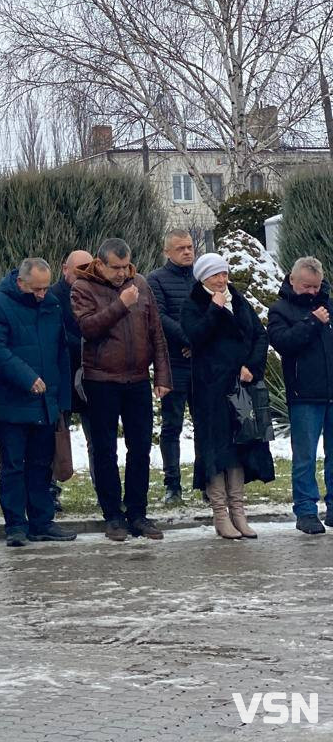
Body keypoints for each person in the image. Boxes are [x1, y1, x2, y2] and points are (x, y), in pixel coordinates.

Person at [71, 238, 172, 542]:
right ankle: (113, 515)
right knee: (105, 450)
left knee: (140, 449)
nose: (121, 273)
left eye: (125, 266)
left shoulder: (139, 282)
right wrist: (120, 305)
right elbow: (87, 328)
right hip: (101, 379)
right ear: (100, 263)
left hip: (137, 379)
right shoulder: (82, 287)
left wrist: (162, 375)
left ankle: (138, 514)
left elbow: (156, 331)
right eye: (115, 267)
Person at [0, 257, 77, 548]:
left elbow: (61, 352)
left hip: (45, 402)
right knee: (12, 465)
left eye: (45, 288)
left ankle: (41, 522)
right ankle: (15, 526)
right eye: (36, 289)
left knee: (40, 465)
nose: (42, 294)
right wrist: (27, 378)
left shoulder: (51, 305)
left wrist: (61, 397)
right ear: (20, 282)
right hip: (12, 402)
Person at [181, 253, 274, 539]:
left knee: (240, 446)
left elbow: (260, 335)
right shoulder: (193, 303)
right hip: (211, 389)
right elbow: (195, 337)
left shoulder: (239, 299)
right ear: (202, 278)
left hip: (241, 387)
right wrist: (214, 310)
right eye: (215, 276)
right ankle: (220, 514)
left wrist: (252, 366)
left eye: (224, 274)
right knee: (216, 448)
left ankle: (239, 512)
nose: (222, 280)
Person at [267, 256, 332, 534]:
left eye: (316, 287)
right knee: (304, 456)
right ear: (292, 281)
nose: (313, 292)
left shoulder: (329, 305)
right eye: (307, 286)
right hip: (304, 394)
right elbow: (284, 343)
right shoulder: (280, 310)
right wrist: (312, 322)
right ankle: (306, 510)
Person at [147, 230, 198, 504]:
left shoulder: (202, 277)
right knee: (172, 426)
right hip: (173, 363)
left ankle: (205, 481)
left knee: (205, 426)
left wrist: (200, 342)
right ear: (168, 252)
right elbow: (159, 317)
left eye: (190, 247)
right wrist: (189, 338)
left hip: (201, 365)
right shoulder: (156, 279)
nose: (188, 252)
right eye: (181, 248)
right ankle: (172, 484)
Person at [48, 249, 95, 506]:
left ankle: (103, 488)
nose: (84, 274)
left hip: (91, 375)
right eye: (79, 269)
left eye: (89, 268)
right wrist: (88, 343)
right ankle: (50, 490)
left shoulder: (97, 293)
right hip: (62, 376)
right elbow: (56, 335)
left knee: (97, 439)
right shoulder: (53, 297)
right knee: (55, 437)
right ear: (65, 269)